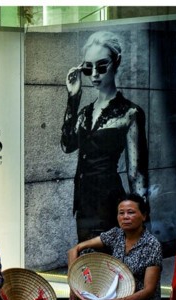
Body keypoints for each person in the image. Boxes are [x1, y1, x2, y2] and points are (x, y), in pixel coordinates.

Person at [61, 30, 149, 242]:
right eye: (88, 67)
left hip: (109, 205)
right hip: (83, 205)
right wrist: (73, 97)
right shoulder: (85, 113)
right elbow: (67, 145)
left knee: (110, 268)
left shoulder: (129, 113)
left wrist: (140, 223)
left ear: (116, 62)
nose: (94, 74)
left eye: (101, 66)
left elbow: (136, 174)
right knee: (88, 268)